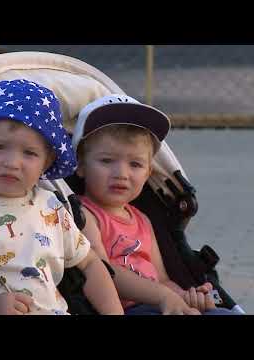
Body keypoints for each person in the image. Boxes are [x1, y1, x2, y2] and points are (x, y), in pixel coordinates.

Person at [0, 79, 123, 315]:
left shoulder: (52, 207)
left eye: (29, 153)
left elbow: (89, 263)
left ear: (46, 162)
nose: (12, 163)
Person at [71, 94, 236, 315]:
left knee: (221, 313)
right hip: (122, 309)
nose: (121, 174)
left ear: (149, 173)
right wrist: (162, 296)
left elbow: (163, 279)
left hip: (159, 303)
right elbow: (102, 272)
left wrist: (186, 298)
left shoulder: (143, 219)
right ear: (80, 166)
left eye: (135, 164)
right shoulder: (84, 215)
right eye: (106, 161)